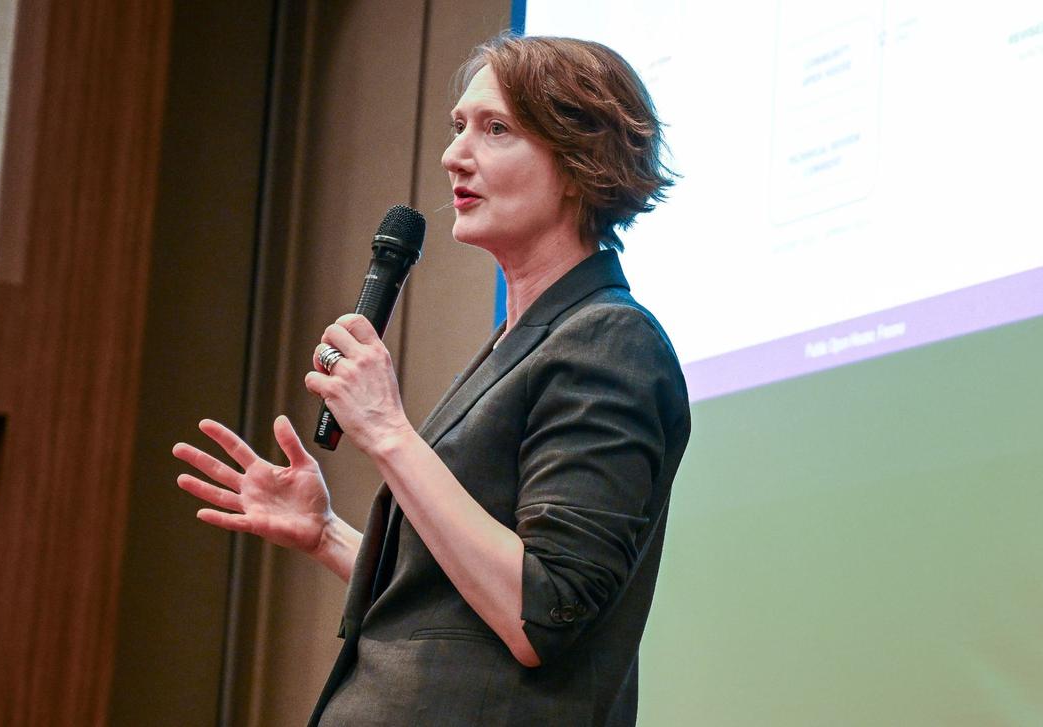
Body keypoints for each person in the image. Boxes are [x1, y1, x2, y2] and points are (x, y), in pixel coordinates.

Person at [173, 34, 690, 726]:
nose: (454, 155)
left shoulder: (611, 342)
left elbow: (544, 609)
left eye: (495, 129)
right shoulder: (520, 344)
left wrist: (387, 430)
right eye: (458, 128)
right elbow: (457, 608)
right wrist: (326, 533)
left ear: (578, 164)